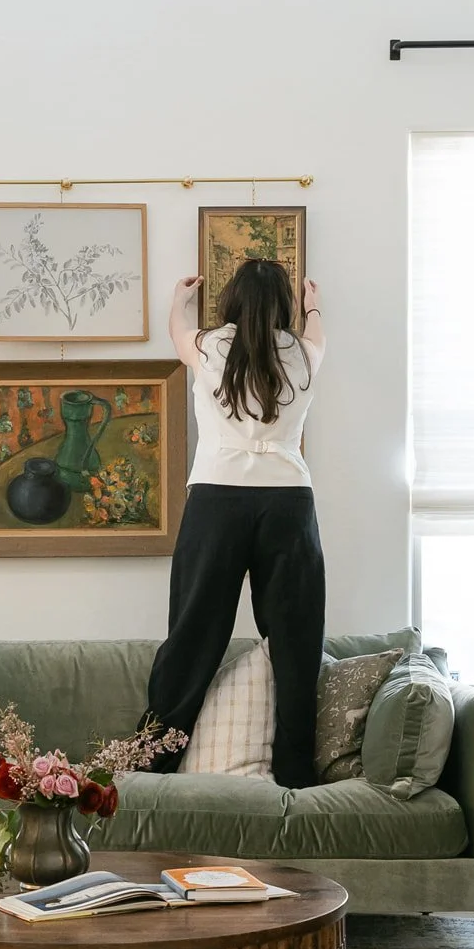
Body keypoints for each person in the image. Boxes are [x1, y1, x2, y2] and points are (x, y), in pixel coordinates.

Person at [143, 258, 326, 788]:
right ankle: (296, 777)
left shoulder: (208, 347)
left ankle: (151, 766)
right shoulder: (304, 354)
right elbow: (316, 333)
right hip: (289, 502)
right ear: (284, 306)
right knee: (296, 642)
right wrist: (314, 306)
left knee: (192, 634)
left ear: (232, 302)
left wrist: (178, 301)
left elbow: (177, 332)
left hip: (217, 499)